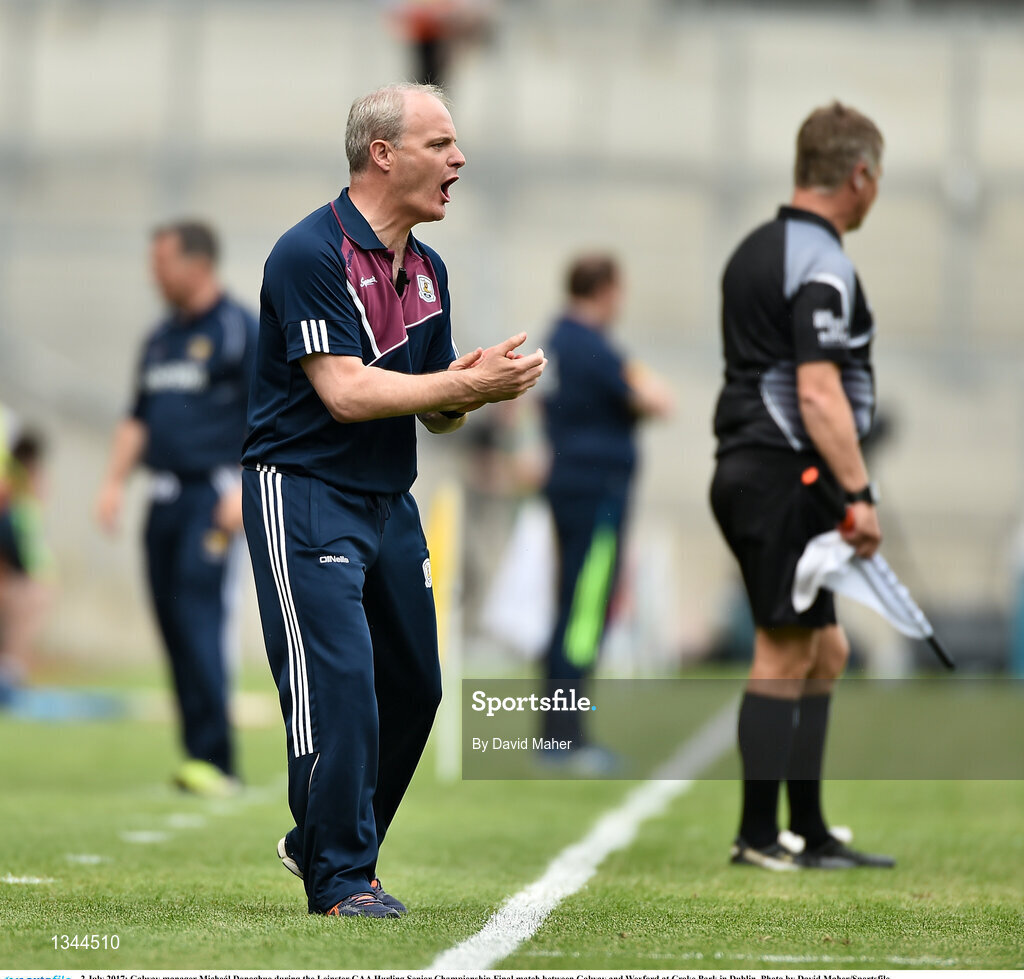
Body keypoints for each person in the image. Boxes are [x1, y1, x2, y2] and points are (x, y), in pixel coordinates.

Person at [241, 82, 545, 919]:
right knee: (339, 680)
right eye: (440, 144)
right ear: (383, 154)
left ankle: (319, 840)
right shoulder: (309, 252)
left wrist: (473, 390)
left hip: (387, 499)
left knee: (416, 687)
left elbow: (433, 408)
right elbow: (342, 392)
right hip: (301, 492)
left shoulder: (428, 269)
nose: (458, 160)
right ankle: (340, 876)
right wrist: (458, 383)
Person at [710, 101, 895, 870]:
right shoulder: (822, 259)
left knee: (825, 647)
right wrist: (859, 492)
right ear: (859, 175)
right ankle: (758, 835)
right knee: (785, 649)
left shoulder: (754, 248)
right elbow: (817, 391)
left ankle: (810, 830)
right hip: (786, 475)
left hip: (762, 471)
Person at [95, 221, 257, 797]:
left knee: (199, 620)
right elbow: (138, 415)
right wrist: (114, 482)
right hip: (160, 500)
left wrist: (245, 485)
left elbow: (273, 413)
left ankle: (218, 760)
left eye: (161, 261)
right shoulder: (159, 339)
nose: (152, 273)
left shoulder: (240, 329)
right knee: (171, 624)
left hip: (213, 499)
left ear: (197, 263)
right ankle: (196, 756)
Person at [538, 255, 672, 765]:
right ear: (606, 290)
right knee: (585, 611)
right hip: (597, 494)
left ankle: (560, 734)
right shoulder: (593, 346)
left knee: (572, 605)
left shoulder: (560, 340)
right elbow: (656, 399)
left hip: (571, 486)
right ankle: (564, 739)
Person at [0, 428, 54, 706]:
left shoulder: (26, 501)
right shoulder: (12, 495)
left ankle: (12, 676)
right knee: (21, 611)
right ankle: (8, 678)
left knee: (27, 611)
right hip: (18, 570)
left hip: (27, 566)